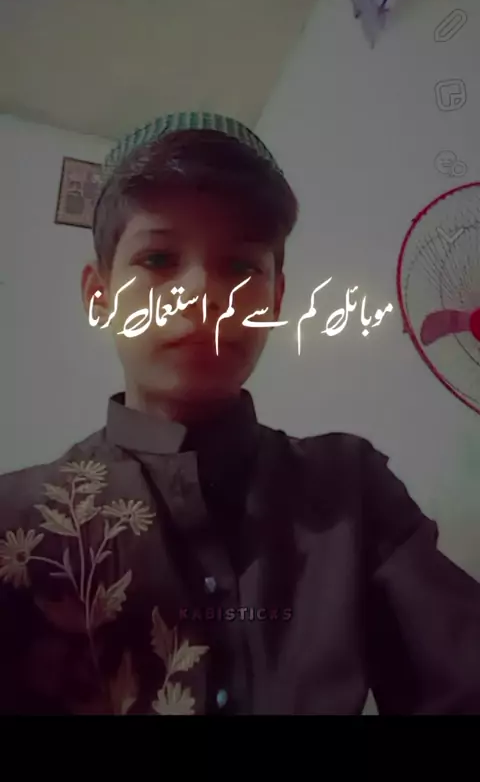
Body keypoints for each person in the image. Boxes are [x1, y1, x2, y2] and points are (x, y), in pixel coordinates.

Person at [1, 111, 479, 715]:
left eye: (240, 266)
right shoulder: (16, 523)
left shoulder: (351, 489)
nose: (201, 293)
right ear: (100, 297)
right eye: (158, 259)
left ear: (275, 300)